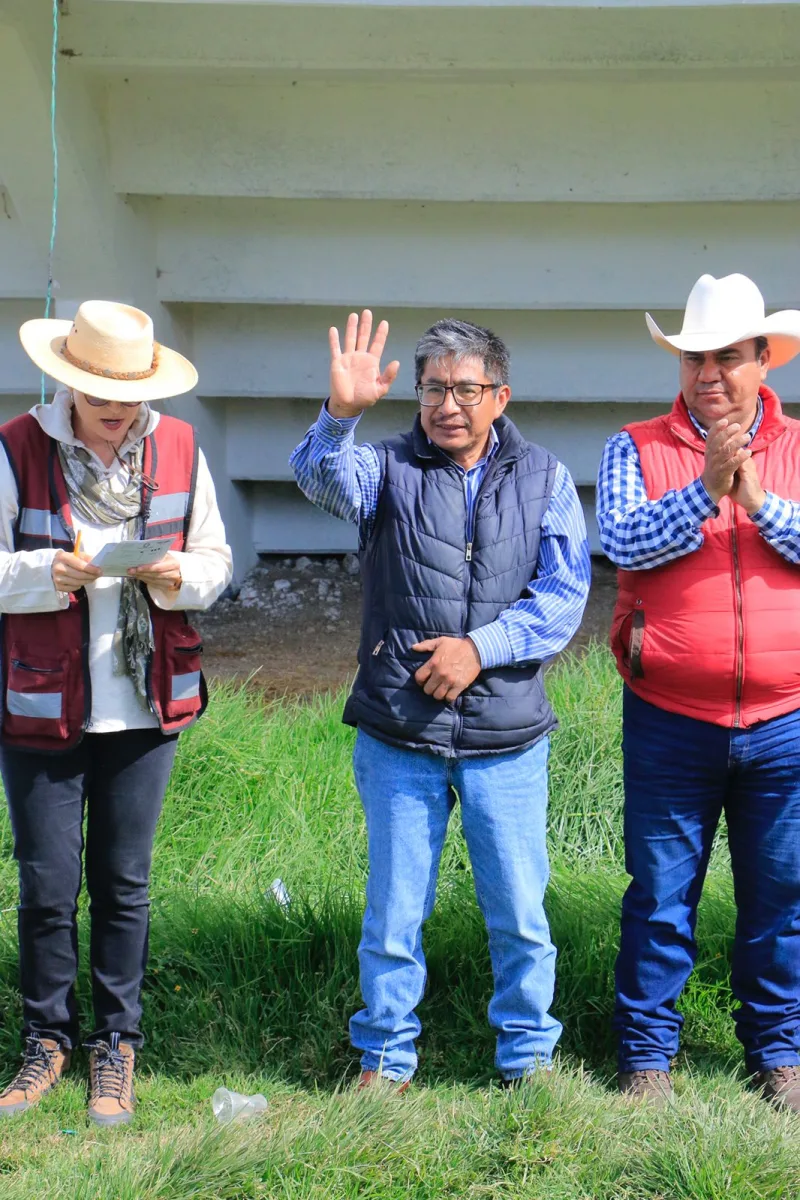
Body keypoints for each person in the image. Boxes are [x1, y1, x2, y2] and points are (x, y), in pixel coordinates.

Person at [291, 311, 590, 1086]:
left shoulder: (547, 478)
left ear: (501, 395)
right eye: (432, 388)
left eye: (465, 388)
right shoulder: (387, 467)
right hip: (400, 730)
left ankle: (528, 1058)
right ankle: (385, 1057)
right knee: (393, 917)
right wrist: (340, 418)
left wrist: (478, 650)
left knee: (522, 918)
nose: (446, 404)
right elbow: (322, 479)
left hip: (508, 737)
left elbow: (563, 597)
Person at [0, 301, 232, 1125]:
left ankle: (116, 1048)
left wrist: (177, 578)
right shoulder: (17, 445)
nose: (115, 405)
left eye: (128, 391)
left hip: (142, 701)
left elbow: (214, 560)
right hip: (39, 703)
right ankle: (46, 1041)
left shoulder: (178, 447)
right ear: (69, 378)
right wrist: (45, 572)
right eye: (99, 388)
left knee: (124, 887)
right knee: (46, 886)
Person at [597, 273, 800, 1111]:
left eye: (725, 357)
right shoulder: (633, 445)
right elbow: (621, 540)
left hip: (786, 718)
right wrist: (705, 489)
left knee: (783, 896)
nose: (707, 373)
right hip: (671, 718)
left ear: (762, 360)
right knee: (659, 895)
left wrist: (755, 497)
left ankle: (780, 1051)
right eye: (693, 358)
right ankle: (648, 1058)